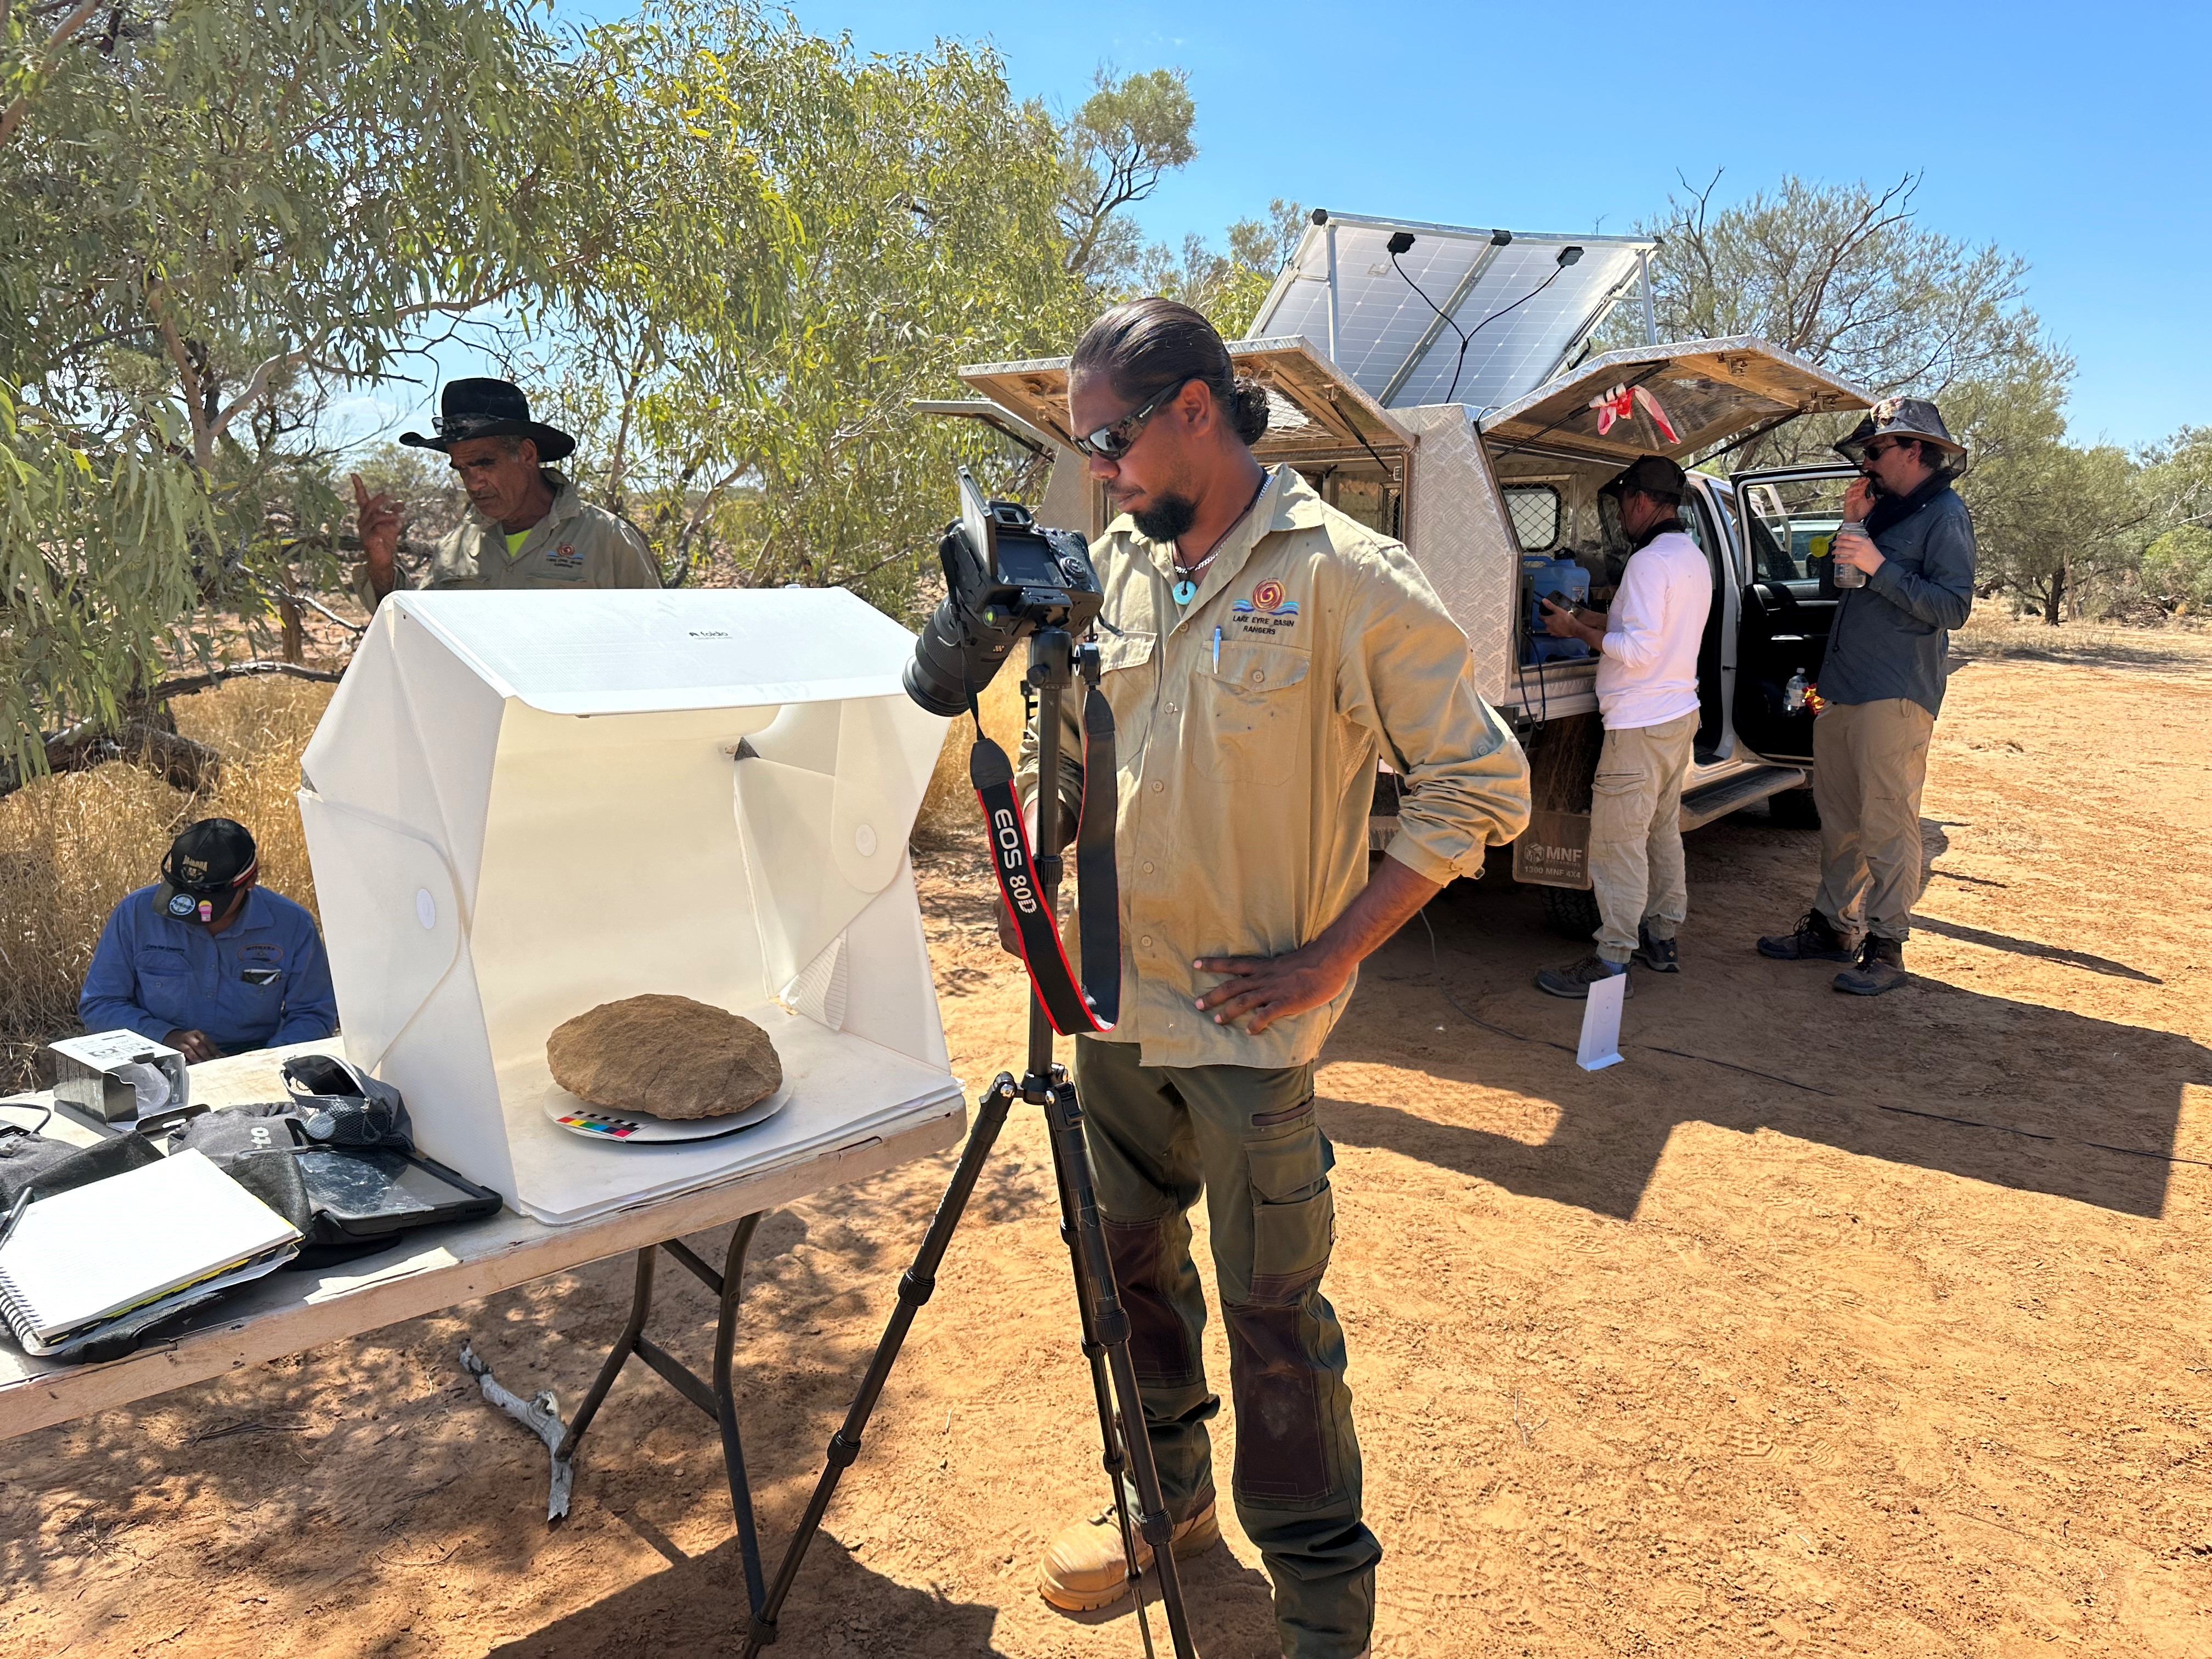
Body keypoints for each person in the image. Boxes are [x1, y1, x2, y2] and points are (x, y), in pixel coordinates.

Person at [1017, 298, 1531, 1659]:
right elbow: (1072, 752)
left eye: (1113, 439)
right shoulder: (1115, 570)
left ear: (1197, 407)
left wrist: (1329, 953)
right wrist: (1037, 857)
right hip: (1116, 1008)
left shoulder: (1344, 575)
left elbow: (1482, 788)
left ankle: (1318, 1614)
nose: (1100, 470)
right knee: (1128, 1275)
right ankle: (1165, 1502)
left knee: (1276, 1325)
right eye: (1085, 447)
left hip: (1254, 1041)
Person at [1756, 398, 1976, 995]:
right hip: (1844, 686)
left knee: (1887, 819)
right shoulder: (1880, 510)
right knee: (1841, 817)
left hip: (1896, 691)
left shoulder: (1945, 516)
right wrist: (1851, 525)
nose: (1868, 462)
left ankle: (1887, 946)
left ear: (1913, 450)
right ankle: (1832, 927)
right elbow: (1836, 582)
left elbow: (1953, 607)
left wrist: (1881, 565)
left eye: (1876, 451)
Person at [1531, 454, 1712, 998]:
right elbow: (1646, 628)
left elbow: (1635, 649)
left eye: (1623, 504)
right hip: (1676, 714)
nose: (1623, 516)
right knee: (1659, 831)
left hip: (1638, 722)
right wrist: (1588, 618)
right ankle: (1662, 934)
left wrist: (1573, 631)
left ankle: (1612, 958)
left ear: (1639, 501)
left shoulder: (1648, 562)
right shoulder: (1690, 558)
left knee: (1617, 844)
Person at [351, 377, 660, 604]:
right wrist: (380, 568)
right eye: (462, 469)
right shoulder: (456, 547)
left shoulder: (606, 538)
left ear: (527, 455)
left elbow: (653, 640)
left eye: (484, 463)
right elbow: (419, 638)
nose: (473, 483)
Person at [80, 819, 338, 1062]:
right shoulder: (136, 914)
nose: (193, 908)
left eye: (210, 899)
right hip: (155, 1060)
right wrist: (163, 1036)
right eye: (185, 893)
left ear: (250, 881)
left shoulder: (292, 926)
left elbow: (312, 1014)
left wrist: (265, 1064)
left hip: (257, 1063)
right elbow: (100, 1004)